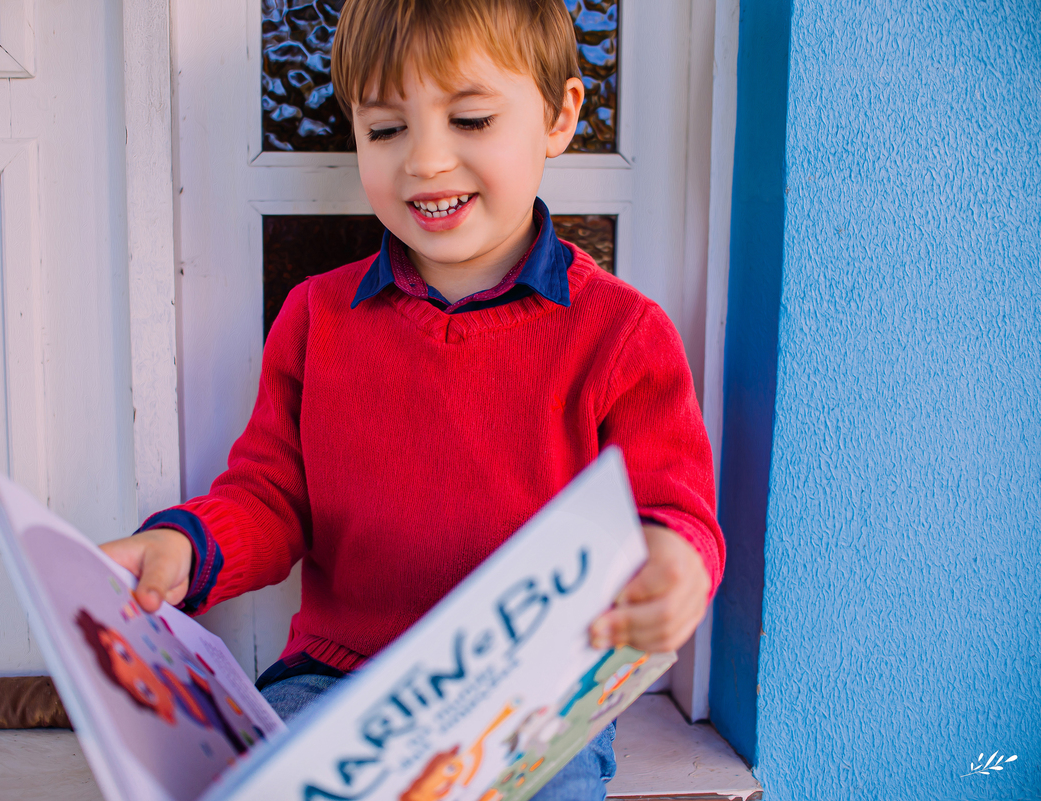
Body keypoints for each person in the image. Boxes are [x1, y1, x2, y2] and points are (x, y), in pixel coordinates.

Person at [102, 1, 725, 797]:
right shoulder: (315, 319)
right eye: (387, 129)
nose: (425, 162)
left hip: (531, 702)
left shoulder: (623, 333)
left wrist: (671, 564)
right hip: (336, 682)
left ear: (560, 116)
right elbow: (269, 497)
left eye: (469, 119)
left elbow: (673, 512)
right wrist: (183, 551)